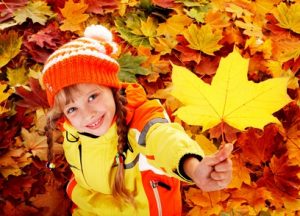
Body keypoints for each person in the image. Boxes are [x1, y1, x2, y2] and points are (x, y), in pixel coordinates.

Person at [42, 24, 233, 216]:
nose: (88, 114)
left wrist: (194, 167)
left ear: (112, 88)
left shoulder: (140, 120)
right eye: (73, 108)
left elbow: (164, 140)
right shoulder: (72, 129)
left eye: (93, 97)